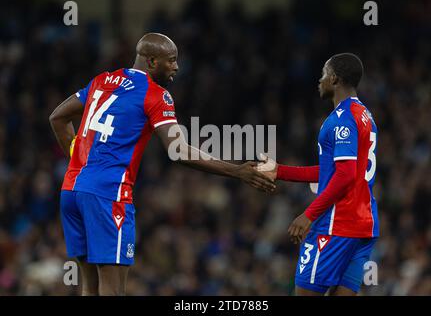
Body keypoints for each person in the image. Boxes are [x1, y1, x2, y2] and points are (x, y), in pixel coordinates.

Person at [49, 33, 275, 296]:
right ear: (152, 61)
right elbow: (178, 151)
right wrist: (236, 170)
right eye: (172, 60)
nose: (177, 67)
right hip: (108, 194)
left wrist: (79, 160)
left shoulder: (102, 80)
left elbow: (57, 118)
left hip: (72, 190)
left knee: (90, 287)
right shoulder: (157, 95)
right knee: (112, 289)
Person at [258, 53, 378, 296]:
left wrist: (308, 215)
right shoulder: (365, 115)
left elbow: (344, 176)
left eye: (323, 74)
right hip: (364, 224)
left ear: (334, 79)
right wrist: (280, 171)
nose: (319, 80)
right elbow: (335, 171)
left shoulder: (342, 120)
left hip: (337, 225)